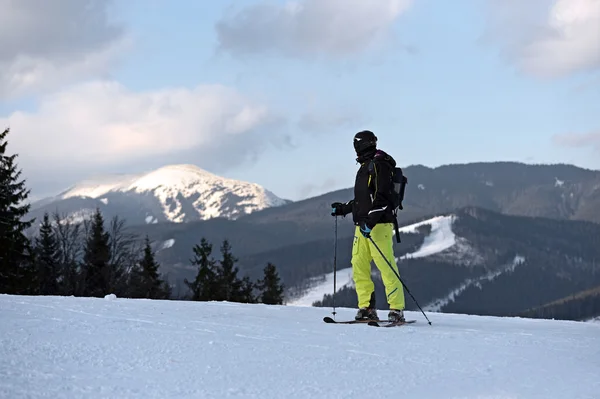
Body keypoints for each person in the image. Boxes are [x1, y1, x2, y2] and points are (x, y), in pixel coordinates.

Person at [331, 130, 405, 322]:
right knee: (358, 265)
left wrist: (370, 223)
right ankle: (367, 308)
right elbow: (362, 200)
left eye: (356, 145)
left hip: (378, 225)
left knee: (385, 266)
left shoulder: (380, 165)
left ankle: (396, 309)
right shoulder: (366, 166)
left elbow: (382, 197)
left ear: (360, 145)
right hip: (362, 225)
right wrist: (344, 209)